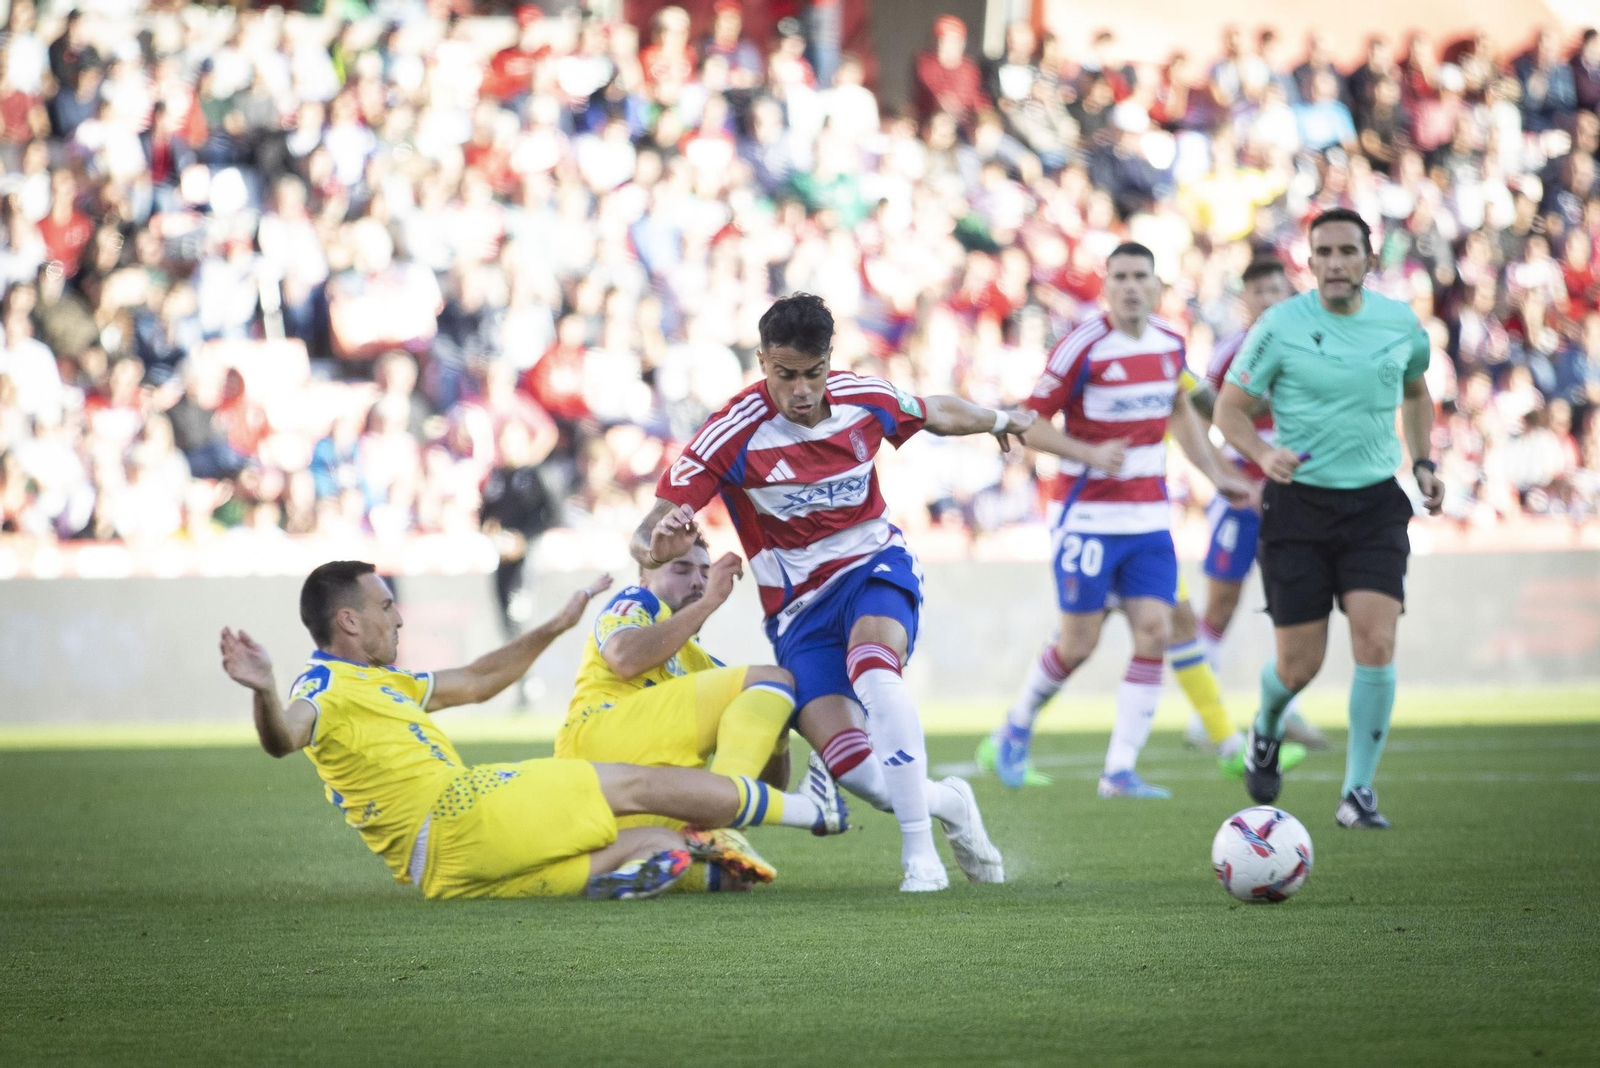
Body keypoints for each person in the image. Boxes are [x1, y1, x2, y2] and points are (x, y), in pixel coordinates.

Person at [629, 293, 1025, 892]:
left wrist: (998, 419)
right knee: (856, 771)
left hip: (873, 567)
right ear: (763, 362)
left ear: (828, 361)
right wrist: (659, 543)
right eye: (786, 375)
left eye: (813, 373)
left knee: (874, 667)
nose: (802, 390)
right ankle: (950, 804)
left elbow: (935, 411)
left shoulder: (865, 399)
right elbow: (646, 535)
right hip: (798, 612)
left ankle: (921, 859)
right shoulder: (730, 433)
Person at [218, 561, 848, 903]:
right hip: (459, 809)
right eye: (386, 606)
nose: (399, 617)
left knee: (654, 838)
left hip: (438, 874)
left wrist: (553, 626)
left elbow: (479, 678)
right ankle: (809, 812)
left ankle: (679, 867)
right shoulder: (317, 688)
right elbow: (284, 738)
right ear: (349, 621)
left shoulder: (393, 684)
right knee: (636, 786)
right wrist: (264, 690)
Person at [980, 242, 1252, 798]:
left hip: (1149, 519)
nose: (1131, 286)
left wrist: (1216, 473)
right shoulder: (1083, 346)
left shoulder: (1171, 345)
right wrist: (1086, 453)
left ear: (1156, 286)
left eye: (1141, 277)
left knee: (1155, 630)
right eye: (1121, 276)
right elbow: (1028, 422)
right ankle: (1012, 730)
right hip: (1088, 518)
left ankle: (1119, 772)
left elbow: (1181, 417)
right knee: (1078, 645)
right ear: (1106, 286)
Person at [1213, 208, 1444, 829]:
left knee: (1376, 640)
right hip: (1299, 508)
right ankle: (1266, 726)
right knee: (1299, 664)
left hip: (1374, 505)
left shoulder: (1401, 326)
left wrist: (1423, 463)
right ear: (1309, 263)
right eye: (1324, 252)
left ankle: (1358, 792)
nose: (1336, 262)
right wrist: (1263, 453)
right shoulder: (1279, 326)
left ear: (1370, 259)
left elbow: (1417, 392)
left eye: (1348, 251)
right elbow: (1229, 409)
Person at [555, 536, 804, 884]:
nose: (699, 581)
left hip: (636, 798)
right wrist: (710, 602)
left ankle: (616, 869)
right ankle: (716, 830)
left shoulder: (702, 665)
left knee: (731, 878)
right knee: (772, 679)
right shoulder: (637, 602)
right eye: (682, 569)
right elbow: (625, 658)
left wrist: (777, 730)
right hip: (600, 744)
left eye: (705, 572)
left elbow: (766, 789)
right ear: (644, 579)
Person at [1186, 257, 1328, 752]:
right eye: (1258, 292)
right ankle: (1204, 716)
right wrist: (1224, 477)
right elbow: (1203, 417)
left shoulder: (1313, 344)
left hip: (1294, 488)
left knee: (1290, 601)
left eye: (1275, 289)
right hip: (1243, 491)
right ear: (1245, 300)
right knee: (1220, 602)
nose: (1267, 299)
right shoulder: (1229, 353)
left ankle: (1286, 709)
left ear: (1288, 293)